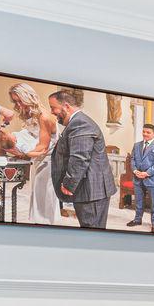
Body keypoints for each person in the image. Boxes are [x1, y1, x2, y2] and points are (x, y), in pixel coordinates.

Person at [47, 88, 113, 229]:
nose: (52, 112)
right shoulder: (77, 122)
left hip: (91, 190)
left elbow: (80, 158)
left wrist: (69, 183)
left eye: (53, 108)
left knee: (92, 230)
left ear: (66, 106)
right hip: (89, 189)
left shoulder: (80, 123)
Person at [8, 83, 60, 225]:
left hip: (48, 162)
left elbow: (43, 147)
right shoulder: (31, 114)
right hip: (38, 159)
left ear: (28, 97)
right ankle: (38, 224)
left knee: (45, 197)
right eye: (15, 101)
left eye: (19, 100)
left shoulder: (44, 116)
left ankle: (47, 226)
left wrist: (22, 154)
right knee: (37, 195)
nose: (18, 105)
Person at [127, 122, 154, 230]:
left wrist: (147, 173)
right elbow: (132, 159)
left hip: (152, 179)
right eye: (144, 132)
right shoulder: (137, 145)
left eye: (148, 132)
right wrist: (134, 170)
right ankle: (137, 220)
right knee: (138, 201)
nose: (145, 134)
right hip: (137, 177)